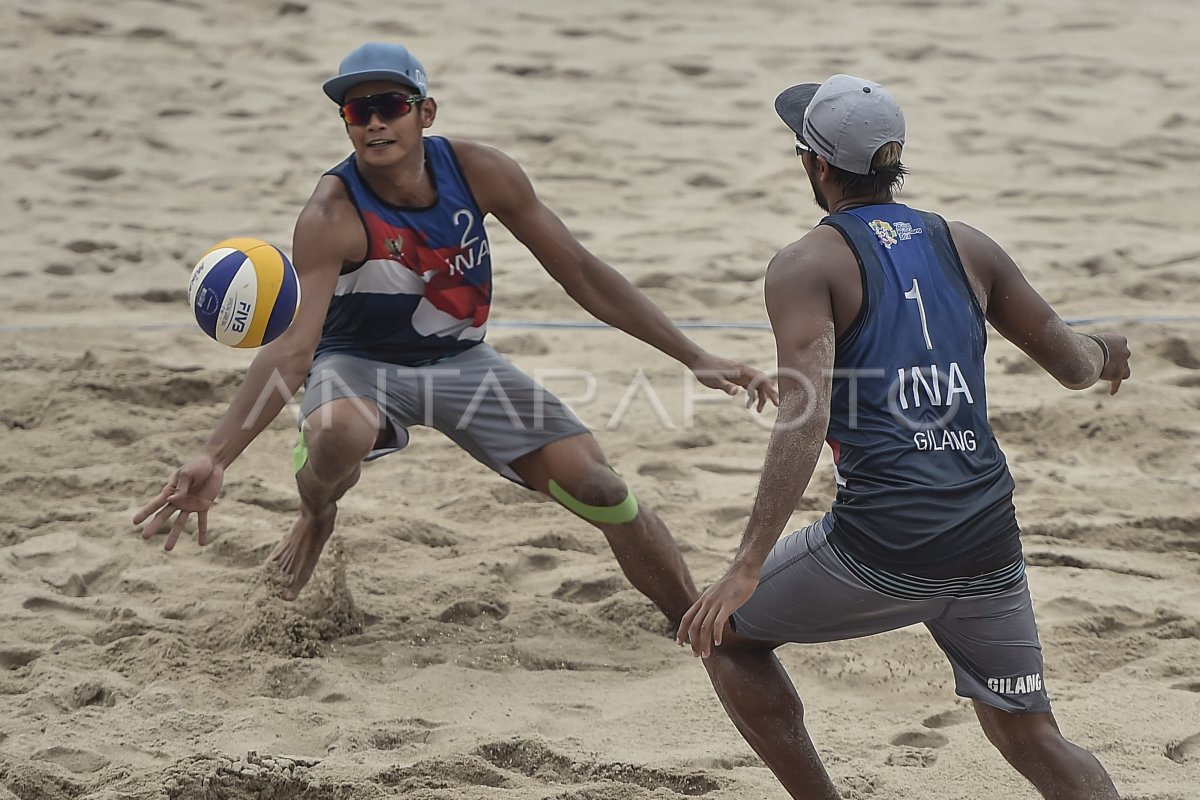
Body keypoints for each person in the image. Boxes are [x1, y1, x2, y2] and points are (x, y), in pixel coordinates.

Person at [132, 42, 778, 630]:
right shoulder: (332, 213)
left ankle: (696, 627)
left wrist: (693, 355)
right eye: (358, 112)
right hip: (358, 363)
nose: (374, 122)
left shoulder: (483, 172)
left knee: (602, 490)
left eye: (390, 105)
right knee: (336, 432)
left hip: (462, 360)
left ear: (426, 112)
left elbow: (578, 271)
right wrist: (217, 455)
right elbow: (296, 348)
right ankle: (317, 514)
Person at [677, 75, 1130, 800]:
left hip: (884, 543)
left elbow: (806, 412)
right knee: (1031, 735)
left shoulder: (807, 262)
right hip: (989, 540)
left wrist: (747, 564)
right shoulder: (967, 244)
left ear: (816, 164)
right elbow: (1074, 365)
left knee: (723, 632)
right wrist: (1110, 351)